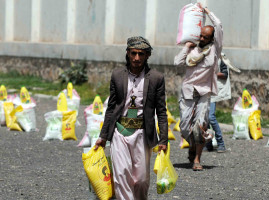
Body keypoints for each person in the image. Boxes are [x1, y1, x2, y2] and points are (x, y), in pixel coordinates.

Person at [95, 36, 168, 200]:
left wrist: (163, 140)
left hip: (142, 134)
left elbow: (161, 112)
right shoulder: (117, 75)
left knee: (140, 180)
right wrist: (103, 136)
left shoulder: (156, 78)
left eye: (141, 54)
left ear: (147, 55)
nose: (137, 58)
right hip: (120, 132)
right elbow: (111, 108)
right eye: (133, 53)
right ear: (127, 53)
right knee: (121, 177)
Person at [174, 4, 223, 171]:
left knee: (201, 126)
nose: (202, 39)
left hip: (204, 92)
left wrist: (207, 11)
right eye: (200, 36)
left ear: (211, 39)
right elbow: (177, 63)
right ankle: (192, 145)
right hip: (188, 91)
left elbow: (218, 25)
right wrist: (186, 47)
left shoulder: (215, 50)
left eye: (205, 37)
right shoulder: (192, 50)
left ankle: (197, 159)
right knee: (184, 128)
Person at [205, 58, 230, 153]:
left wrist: (213, 74)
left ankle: (221, 143)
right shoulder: (202, 55)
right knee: (205, 118)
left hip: (213, 92)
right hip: (203, 91)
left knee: (211, 117)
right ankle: (208, 144)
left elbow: (225, 74)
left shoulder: (221, 59)